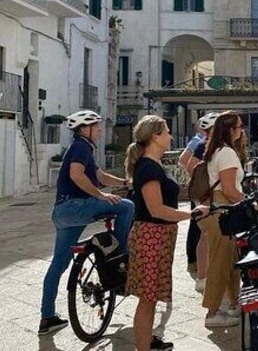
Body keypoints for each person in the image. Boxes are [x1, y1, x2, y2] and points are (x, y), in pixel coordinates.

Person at [39, 110, 134, 336]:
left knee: (58, 265)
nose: (100, 130)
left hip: (62, 213)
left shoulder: (82, 148)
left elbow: (99, 175)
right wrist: (101, 196)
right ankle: (121, 255)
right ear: (85, 129)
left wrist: (125, 181)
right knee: (127, 207)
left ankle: (47, 317)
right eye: (96, 126)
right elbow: (76, 175)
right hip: (76, 206)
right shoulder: (81, 147)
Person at [126, 115, 192, 351]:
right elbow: (156, 209)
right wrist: (192, 215)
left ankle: (146, 344)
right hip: (151, 236)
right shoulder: (148, 167)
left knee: (151, 297)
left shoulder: (153, 164)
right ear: (155, 136)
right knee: (147, 299)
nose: (170, 136)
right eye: (166, 132)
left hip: (158, 236)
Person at [199, 111, 246, 328]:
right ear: (230, 130)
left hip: (215, 210)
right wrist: (249, 202)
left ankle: (235, 303)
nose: (242, 129)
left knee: (230, 261)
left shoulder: (216, 150)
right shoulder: (226, 153)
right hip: (222, 212)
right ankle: (212, 312)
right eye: (239, 126)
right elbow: (229, 189)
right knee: (219, 263)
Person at [179, 112, 218, 277]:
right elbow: (187, 163)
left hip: (201, 191)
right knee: (198, 227)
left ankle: (196, 264)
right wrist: (200, 181)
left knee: (198, 227)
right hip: (204, 193)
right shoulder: (201, 143)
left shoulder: (202, 142)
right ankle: (196, 263)